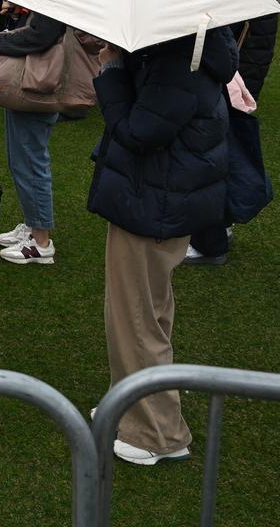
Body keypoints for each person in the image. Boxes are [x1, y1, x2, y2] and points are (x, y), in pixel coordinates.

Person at [89, 28, 235, 465]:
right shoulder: (184, 48)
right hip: (158, 199)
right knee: (142, 312)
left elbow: (139, 131)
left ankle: (158, 433)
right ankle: (132, 406)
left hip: (153, 201)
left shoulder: (182, 58)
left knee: (136, 317)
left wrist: (112, 69)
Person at [186, 0, 277, 266]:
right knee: (223, 152)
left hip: (232, 76)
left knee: (213, 158)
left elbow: (220, 29)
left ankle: (210, 241)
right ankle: (219, 228)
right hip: (241, 74)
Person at [0, 12, 67, 264]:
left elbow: (42, 35)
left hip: (38, 83)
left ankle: (40, 242)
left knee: (30, 162)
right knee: (22, 160)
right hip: (32, 81)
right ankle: (34, 227)